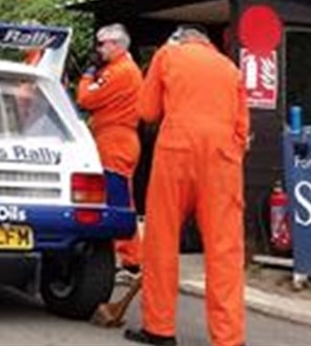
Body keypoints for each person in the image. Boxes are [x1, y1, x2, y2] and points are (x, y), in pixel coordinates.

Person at [127, 26, 249, 346]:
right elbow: (242, 129)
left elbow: (147, 110)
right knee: (225, 249)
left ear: (178, 39)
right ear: (207, 43)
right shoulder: (230, 68)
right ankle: (229, 338)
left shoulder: (167, 55)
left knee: (161, 241)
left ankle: (159, 328)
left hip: (177, 151)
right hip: (223, 158)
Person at [76, 24, 144, 277]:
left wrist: (87, 75)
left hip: (116, 140)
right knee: (116, 198)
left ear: (116, 45)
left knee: (118, 200)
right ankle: (127, 256)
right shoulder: (122, 69)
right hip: (114, 138)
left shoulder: (120, 71)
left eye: (102, 44)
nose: (98, 49)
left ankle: (131, 259)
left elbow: (86, 99)